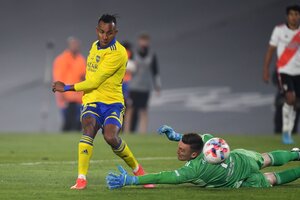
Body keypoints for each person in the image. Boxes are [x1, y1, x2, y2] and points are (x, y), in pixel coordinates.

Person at [52, 14, 154, 190]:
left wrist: (67, 87)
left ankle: (138, 170)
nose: (105, 36)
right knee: (89, 128)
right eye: (101, 32)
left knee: (110, 137)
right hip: (92, 99)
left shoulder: (119, 53)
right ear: (97, 31)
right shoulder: (93, 46)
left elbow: (95, 81)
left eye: (109, 33)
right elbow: (90, 77)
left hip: (113, 102)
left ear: (115, 32)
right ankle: (81, 179)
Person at [106, 125, 300, 189]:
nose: (178, 151)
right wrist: (175, 136)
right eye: (178, 146)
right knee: (267, 158)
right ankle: (296, 155)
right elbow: (197, 138)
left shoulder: (193, 170)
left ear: (194, 154)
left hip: (239, 181)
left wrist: (131, 180)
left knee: (272, 179)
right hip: (241, 159)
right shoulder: (207, 140)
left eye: (182, 150)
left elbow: (159, 177)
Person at [263, 4, 300, 144]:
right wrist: (266, 69)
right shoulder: (279, 30)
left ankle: (291, 131)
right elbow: (271, 50)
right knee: (289, 99)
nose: (294, 17)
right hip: (284, 71)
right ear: (287, 16)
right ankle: (286, 133)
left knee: (296, 102)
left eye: (297, 14)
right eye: (291, 14)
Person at [124, 33, 161, 134]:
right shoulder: (133, 54)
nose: (144, 42)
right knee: (130, 109)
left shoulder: (151, 55)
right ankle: (126, 132)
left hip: (145, 87)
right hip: (134, 86)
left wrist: (157, 86)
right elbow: (126, 66)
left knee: (143, 110)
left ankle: (143, 132)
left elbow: (155, 71)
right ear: (139, 41)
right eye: (142, 40)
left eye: (146, 40)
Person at [52, 37, 86, 131]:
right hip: (66, 96)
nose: (75, 46)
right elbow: (58, 78)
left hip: (79, 97)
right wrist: (61, 94)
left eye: (77, 44)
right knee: (67, 123)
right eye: (73, 44)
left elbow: (84, 77)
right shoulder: (61, 59)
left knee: (78, 123)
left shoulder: (81, 59)